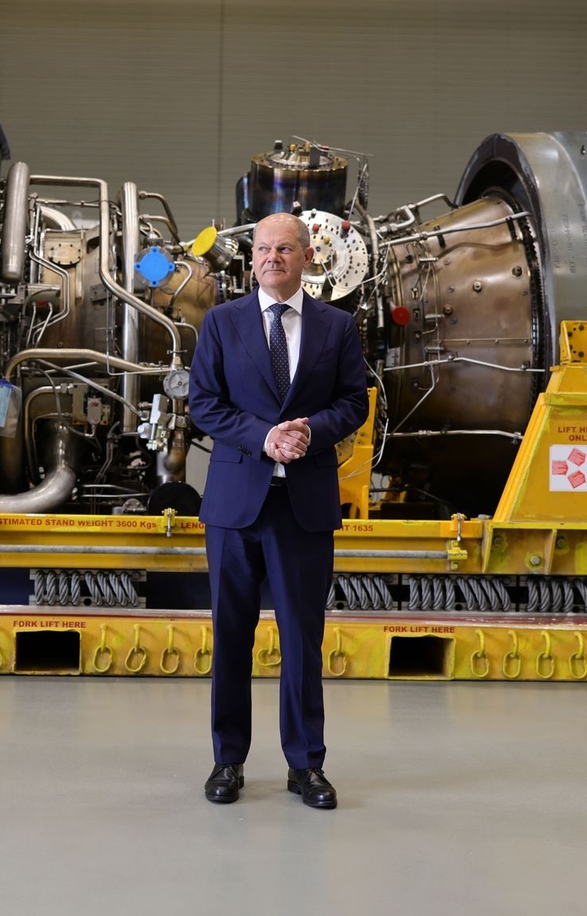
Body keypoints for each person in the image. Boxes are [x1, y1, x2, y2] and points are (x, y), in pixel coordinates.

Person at [187, 212, 369, 809]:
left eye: (285, 248)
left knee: (301, 640)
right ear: (253, 258)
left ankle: (306, 766)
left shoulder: (337, 327)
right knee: (231, 638)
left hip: (303, 507)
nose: (272, 258)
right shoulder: (221, 323)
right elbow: (204, 405)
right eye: (264, 249)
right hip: (237, 506)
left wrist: (308, 432)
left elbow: (352, 404)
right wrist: (264, 437)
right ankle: (227, 760)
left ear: (308, 256)